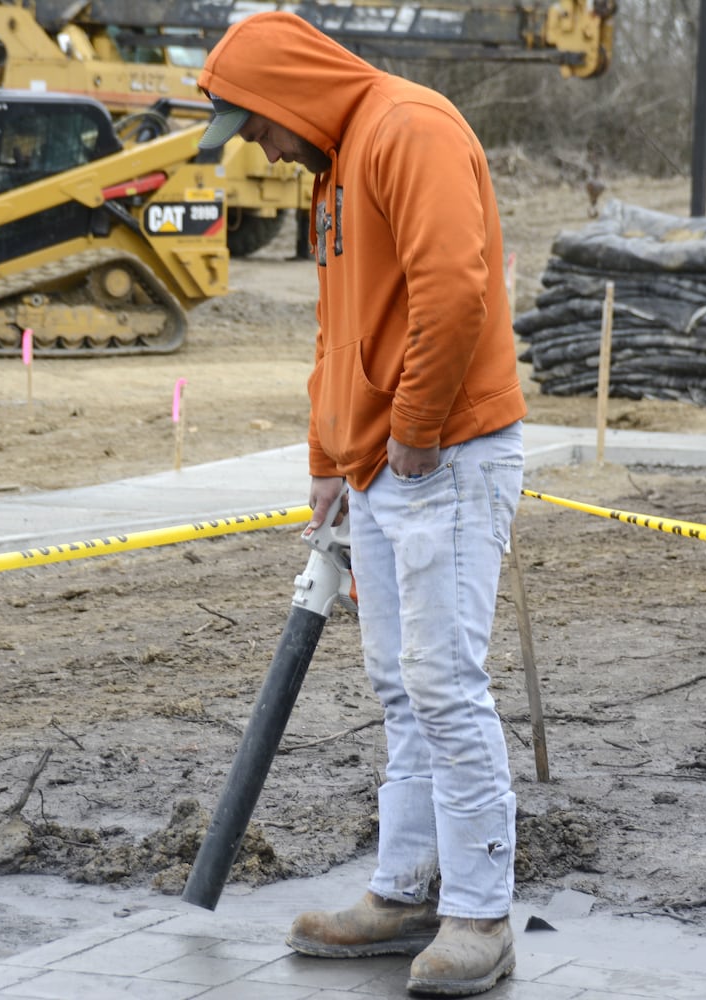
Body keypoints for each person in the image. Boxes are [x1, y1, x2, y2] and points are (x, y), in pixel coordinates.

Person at [197, 12, 527, 997]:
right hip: (384, 466)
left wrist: (417, 436)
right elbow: (340, 328)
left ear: (292, 93)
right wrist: (330, 458)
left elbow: (454, 293)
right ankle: (405, 891)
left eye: (255, 125)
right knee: (399, 680)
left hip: (446, 456)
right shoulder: (337, 167)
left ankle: (480, 915)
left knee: (442, 680)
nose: (255, 146)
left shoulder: (408, 129)